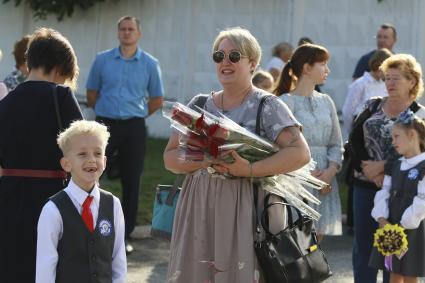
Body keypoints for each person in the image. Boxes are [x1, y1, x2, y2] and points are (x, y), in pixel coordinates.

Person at [164, 27, 310, 282]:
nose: (225, 62)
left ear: (253, 63)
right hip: (199, 205)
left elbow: (300, 153)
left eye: (234, 56)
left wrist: (249, 170)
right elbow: (170, 158)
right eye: (219, 56)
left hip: (246, 207)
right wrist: (205, 158)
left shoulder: (267, 105)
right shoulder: (198, 104)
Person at [0, 27, 83, 283]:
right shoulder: (61, 96)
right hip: (52, 198)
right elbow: (83, 148)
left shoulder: (5, 103)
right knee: (50, 269)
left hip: (8, 199)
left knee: (12, 267)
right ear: (59, 68)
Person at [86, 15, 164, 254]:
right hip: (104, 125)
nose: (127, 32)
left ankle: (125, 234)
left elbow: (157, 99)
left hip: (134, 127)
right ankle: (90, 229)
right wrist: (106, 113)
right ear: (118, 32)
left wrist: (135, 114)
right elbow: (91, 93)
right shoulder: (102, 60)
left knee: (132, 179)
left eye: (131, 29)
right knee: (91, 175)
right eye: (123, 29)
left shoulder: (150, 63)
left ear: (138, 34)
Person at [349, 53, 425, 283]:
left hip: (403, 192)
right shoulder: (372, 105)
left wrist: (384, 167)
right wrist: (370, 171)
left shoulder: (419, 115)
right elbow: (353, 140)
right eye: (387, 78)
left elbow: (421, 156)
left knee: (394, 250)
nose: (389, 83)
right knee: (363, 248)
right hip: (365, 184)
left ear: (412, 81)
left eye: (396, 78)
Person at [36, 120, 127, 283]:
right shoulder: (53, 210)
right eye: (82, 154)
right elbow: (45, 267)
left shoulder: (113, 205)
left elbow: (118, 261)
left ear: (105, 162)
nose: (92, 160)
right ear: (66, 164)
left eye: (98, 153)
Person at [274, 43, 344, 241]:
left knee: (317, 244)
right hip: (297, 178)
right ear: (306, 68)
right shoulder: (286, 101)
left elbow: (335, 143)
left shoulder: (326, 101)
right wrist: (303, 175)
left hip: (325, 179)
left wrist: (331, 171)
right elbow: (279, 146)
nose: (327, 70)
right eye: (323, 64)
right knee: (296, 241)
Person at [369, 110, 425, 282]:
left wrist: (402, 226)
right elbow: (384, 192)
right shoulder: (395, 165)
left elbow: (422, 200)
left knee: (409, 274)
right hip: (390, 224)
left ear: (411, 135)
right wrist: (382, 219)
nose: (393, 142)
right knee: (394, 272)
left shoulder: (423, 166)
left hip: (411, 227)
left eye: (396, 136)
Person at [343, 48, 393, 135]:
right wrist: (351, 133)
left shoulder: (385, 85)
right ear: (379, 65)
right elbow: (348, 110)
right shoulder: (360, 83)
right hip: (360, 129)